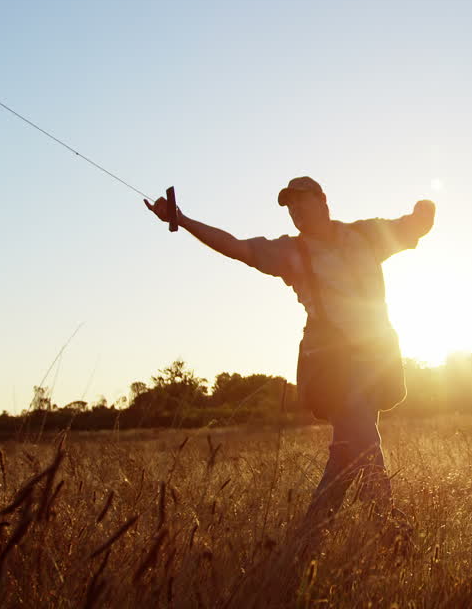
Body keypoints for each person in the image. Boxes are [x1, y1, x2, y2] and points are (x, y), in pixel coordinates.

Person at [144, 176, 435, 539]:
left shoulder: (367, 235)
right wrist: (183, 220)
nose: (295, 211)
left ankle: (307, 538)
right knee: (363, 444)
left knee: (346, 452)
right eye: (289, 206)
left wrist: (425, 211)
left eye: (301, 201)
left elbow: (412, 227)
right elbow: (236, 247)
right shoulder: (290, 252)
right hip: (335, 364)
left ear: (323, 199)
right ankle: (391, 532)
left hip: (378, 359)